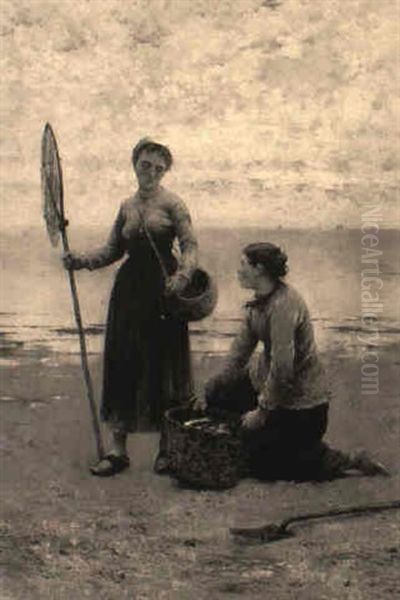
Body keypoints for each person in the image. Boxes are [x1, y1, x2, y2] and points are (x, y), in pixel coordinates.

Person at [64, 138, 198, 476]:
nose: (151, 172)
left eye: (158, 168)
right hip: (128, 293)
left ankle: (166, 451)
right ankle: (118, 451)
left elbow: (190, 246)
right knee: (124, 362)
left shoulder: (174, 204)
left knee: (163, 366)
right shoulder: (126, 206)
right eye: (145, 165)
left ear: (165, 171)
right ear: (134, 165)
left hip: (163, 292)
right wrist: (80, 261)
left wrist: (182, 277)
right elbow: (112, 249)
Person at [203, 242, 389, 481]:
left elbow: (283, 368)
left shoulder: (284, 305)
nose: (238, 271)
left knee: (267, 467)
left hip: (302, 404)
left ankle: (349, 460)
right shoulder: (257, 304)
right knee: (216, 393)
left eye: (243, 265)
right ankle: (254, 439)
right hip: (266, 384)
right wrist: (218, 383)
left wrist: (261, 412)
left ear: (259, 269)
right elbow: (240, 352)